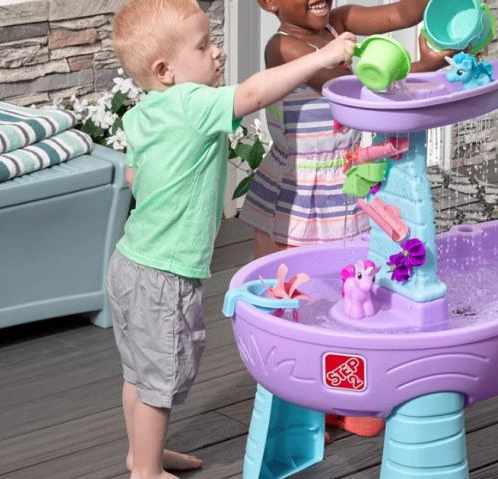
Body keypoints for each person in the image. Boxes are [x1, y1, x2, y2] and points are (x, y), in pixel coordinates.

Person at [108, 1, 354, 478]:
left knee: (138, 372)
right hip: (165, 273)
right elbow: (257, 92)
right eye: (202, 46)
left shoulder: (145, 111)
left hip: (129, 261)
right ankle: (146, 474)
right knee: (163, 378)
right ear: (166, 70)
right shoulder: (191, 103)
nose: (216, 52)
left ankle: (143, 454)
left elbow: (134, 176)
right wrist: (320, 58)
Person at [239, 0, 452, 437]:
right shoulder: (283, 49)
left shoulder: (338, 22)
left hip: (346, 180)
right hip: (299, 194)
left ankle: (347, 387)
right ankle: (305, 389)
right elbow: (349, 85)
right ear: (268, 2)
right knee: (299, 294)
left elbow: (401, 15)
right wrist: (423, 65)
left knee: (354, 283)